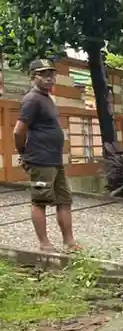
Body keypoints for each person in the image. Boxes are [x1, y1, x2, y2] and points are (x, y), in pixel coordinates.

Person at [13, 59, 80, 253]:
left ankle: (70, 242)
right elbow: (18, 131)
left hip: (54, 160)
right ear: (33, 77)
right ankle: (44, 243)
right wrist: (23, 154)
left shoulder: (47, 98)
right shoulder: (32, 99)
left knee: (64, 200)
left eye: (52, 74)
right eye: (44, 74)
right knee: (40, 201)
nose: (50, 78)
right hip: (40, 159)